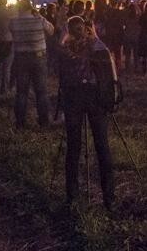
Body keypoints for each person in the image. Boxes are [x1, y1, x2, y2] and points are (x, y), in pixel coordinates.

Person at [56, 16, 115, 209]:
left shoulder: (64, 50)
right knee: (102, 145)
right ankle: (109, 196)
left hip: (73, 99)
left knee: (74, 147)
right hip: (95, 98)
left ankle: (72, 194)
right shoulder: (97, 47)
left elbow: (61, 76)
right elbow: (108, 69)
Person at [9, 0, 53, 129]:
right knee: (41, 91)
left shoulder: (13, 22)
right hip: (38, 57)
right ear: (31, 8)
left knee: (21, 91)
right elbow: (51, 30)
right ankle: (44, 121)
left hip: (21, 58)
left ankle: (20, 122)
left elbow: (11, 30)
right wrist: (39, 15)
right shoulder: (39, 20)